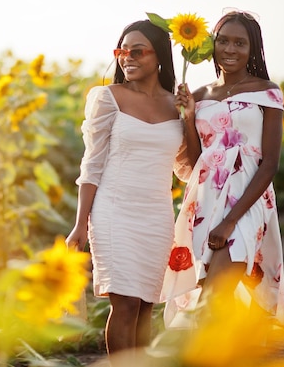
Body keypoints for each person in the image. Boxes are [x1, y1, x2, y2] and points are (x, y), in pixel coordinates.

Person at [66, 19, 184, 365]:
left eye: (137, 51)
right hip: (113, 212)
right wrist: (80, 223)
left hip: (158, 215)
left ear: (159, 56)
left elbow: (188, 165)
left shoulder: (175, 105)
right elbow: (92, 165)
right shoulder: (108, 98)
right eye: (122, 51)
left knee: (146, 305)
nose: (126, 58)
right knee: (127, 302)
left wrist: (190, 116)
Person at [163, 9, 284, 328]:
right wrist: (189, 117)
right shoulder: (201, 95)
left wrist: (231, 220)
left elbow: (270, 163)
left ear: (252, 49)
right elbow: (195, 164)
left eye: (240, 43)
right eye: (223, 41)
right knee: (212, 296)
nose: (230, 49)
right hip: (205, 200)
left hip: (249, 199)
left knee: (215, 295)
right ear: (212, 45)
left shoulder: (267, 91)